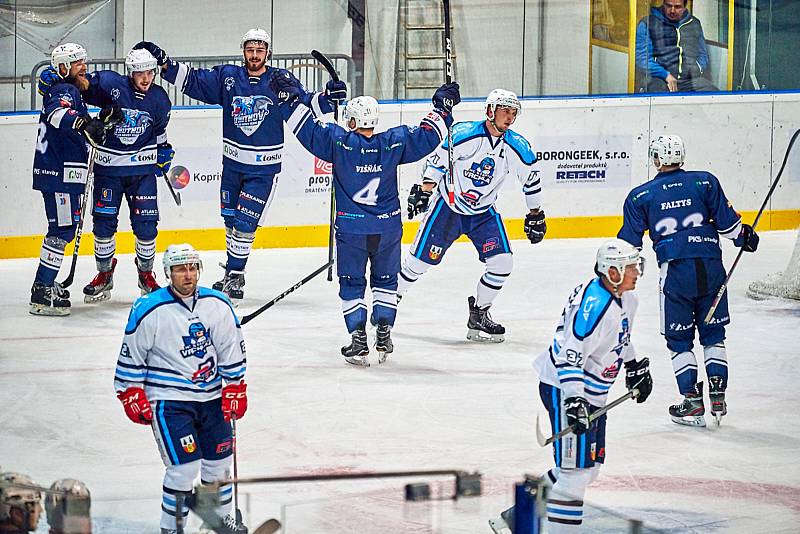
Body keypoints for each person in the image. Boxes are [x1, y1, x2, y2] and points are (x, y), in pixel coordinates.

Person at [132, 29, 347, 302]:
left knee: (245, 223)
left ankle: (235, 274)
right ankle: (235, 272)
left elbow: (305, 103)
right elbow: (194, 80)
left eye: (259, 50)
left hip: (263, 170)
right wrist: (164, 62)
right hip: (232, 165)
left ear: (267, 52)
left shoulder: (279, 81)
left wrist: (330, 98)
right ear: (243, 50)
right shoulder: (228, 77)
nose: (254, 55)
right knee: (231, 220)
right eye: (250, 49)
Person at [271, 72, 459, 365]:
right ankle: (383, 331)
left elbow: (304, 128)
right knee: (386, 281)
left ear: (354, 121)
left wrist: (287, 102)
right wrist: (442, 108)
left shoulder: (337, 142)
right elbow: (429, 136)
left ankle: (358, 338)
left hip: (352, 228)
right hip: (387, 228)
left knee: (352, 282)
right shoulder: (393, 142)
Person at [618, 134, 759, 427]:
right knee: (713, 334)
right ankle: (718, 393)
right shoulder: (704, 182)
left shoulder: (640, 196)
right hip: (711, 266)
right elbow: (732, 228)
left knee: (679, 340)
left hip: (676, 271)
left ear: (656, 159)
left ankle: (693, 402)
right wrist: (746, 236)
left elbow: (626, 248)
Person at [113, 243, 248, 533]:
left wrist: (235, 385)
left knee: (219, 466)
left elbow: (230, 348)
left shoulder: (218, 304)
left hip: (211, 397)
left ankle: (218, 520)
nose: (187, 275)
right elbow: (132, 353)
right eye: (179, 269)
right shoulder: (150, 309)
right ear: (168, 273)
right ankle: (171, 528)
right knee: (184, 468)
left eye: (191, 268)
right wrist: (130, 390)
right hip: (169, 400)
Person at [399, 89, 546, 343]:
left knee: (502, 263)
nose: (509, 117)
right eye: (504, 111)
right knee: (419, 263)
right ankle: (388, 303)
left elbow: (531, 179)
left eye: (513, 112)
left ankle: (479, 313)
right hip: (447, 209)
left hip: (483, 214)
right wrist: (425, 190)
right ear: (490, 111)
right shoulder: (463, 135)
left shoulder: (516, 146)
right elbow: (436, 164)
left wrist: (536, 213)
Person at [530, 239, 652, 533]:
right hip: (565, 387)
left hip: (592, 392)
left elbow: (619, 336)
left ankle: (528, 508)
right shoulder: (595, 307)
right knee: (575, 473)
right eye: (630, 267)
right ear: (612, 273)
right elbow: (570, 356)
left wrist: (634, 365)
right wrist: (574, 402)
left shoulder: (626, 299)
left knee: (589, 469)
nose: (637, 271)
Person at [38, 47, 173, 302]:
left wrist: (164, 150)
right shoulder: (112, 84)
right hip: (108, 170)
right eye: (140, 72)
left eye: (150, 73)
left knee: (146, 227)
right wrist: (54, 76)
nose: (146, 78)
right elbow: (79, 85)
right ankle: (104, 274)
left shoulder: (160, 98)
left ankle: (146, 274)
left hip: (142, 172)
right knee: (103, 224)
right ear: (130, 72)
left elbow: (159, 130)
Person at [30, 43, 118, 316]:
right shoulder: (62, 90)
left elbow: (80, 126)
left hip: (63, 174)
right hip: (59, 173)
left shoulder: (69, 91)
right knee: (62, 230)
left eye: (84, 62)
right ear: (64, 67)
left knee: (62, 228)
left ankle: (46, 283)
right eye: (78, 63)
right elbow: (58, 114)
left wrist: (100, 123)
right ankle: (41, 291)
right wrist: (82, 124)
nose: (85, 68)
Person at [635, 0, 718, 93]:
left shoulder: (694, 23)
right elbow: (642, 59)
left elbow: (702, 54)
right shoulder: (647, 23)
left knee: (713, 93)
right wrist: (665, 75)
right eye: (668, 6)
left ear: (685, 6)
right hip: (659, 79)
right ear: (663, 3)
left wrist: (696, 69)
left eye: (677, 7)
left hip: (689, 80)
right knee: (659, 97)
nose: (672, 11)